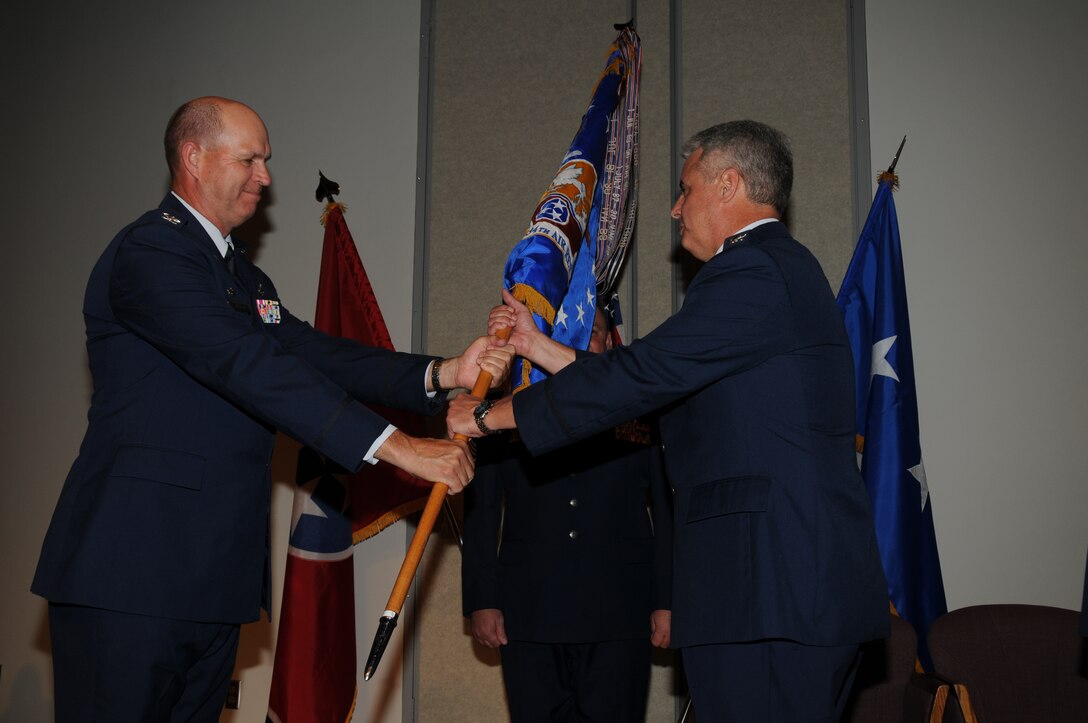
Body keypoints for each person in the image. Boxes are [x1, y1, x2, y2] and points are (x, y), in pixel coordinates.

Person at [31, 96, 513, 723]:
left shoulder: (244, 280)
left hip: (213, 577)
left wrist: (444, 372)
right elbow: (247, 366)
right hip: (132, 574)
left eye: (267, 161)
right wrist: (400, 448)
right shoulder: (150, 253)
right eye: (250, 159)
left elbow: (317, 354)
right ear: (193, 157)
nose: (265, 177)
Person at [449, 120, 890, 720]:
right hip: (770, 590)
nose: (676, 208)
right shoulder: (769, 269)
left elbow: (642, 377)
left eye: (687, 189)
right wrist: (539, 347)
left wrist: (487, 416)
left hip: (772, 588)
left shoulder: (753, 271)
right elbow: (656, 382)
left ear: (729, 185)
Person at [461, 305, 672, 722]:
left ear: (611, 342)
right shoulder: (505, 413)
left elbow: (667, 511)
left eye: (591, 332)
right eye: (566, 333)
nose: (578, 343)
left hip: (620, 613)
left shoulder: (642, 414)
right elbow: (481, 510)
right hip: (530, 612)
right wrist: (482, 600)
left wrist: (668, 600)